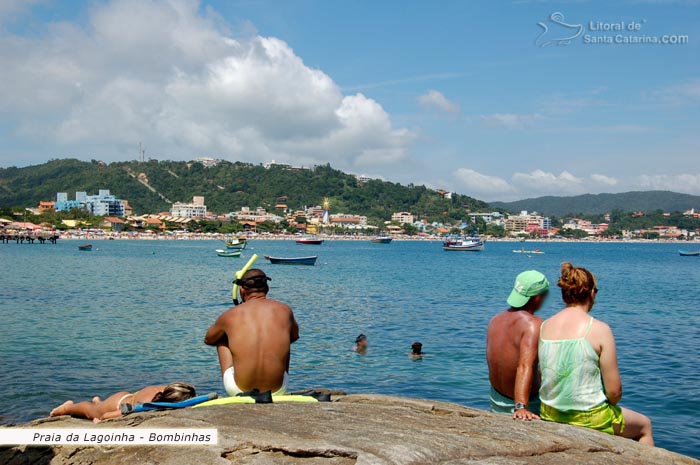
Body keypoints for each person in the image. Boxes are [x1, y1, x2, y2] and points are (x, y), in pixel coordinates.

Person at [539, 262, 654, 445]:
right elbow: (614, 391)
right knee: (644, 426)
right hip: (590, 418)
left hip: (550, 413)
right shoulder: (599, 329)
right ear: (591, 293)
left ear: (564, 295)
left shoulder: (545, 326)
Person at [204, 269, 299, 396]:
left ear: (242, 290)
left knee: (221, 339)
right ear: (267, 288)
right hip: (278, 390)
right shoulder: (285, 310)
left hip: (238, 390)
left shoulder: (230, 315)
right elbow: (294, 336)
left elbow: (209, 339)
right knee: (284, 337)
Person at [487, 270, 549, 420]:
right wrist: (521, 406)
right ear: (538, 298)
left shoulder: (495, 320)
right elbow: (524, 365)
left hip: (496, 401)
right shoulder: (533, 324)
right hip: (526, 406)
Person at [50, 382, 196, 422]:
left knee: (98, 404)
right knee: (88, 410)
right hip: (115, 405)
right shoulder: (145, 406)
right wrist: (100, 421)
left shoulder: (163, 389)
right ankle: (65, 407)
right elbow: (106, 416)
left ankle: (98, 400)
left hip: (125, 396)